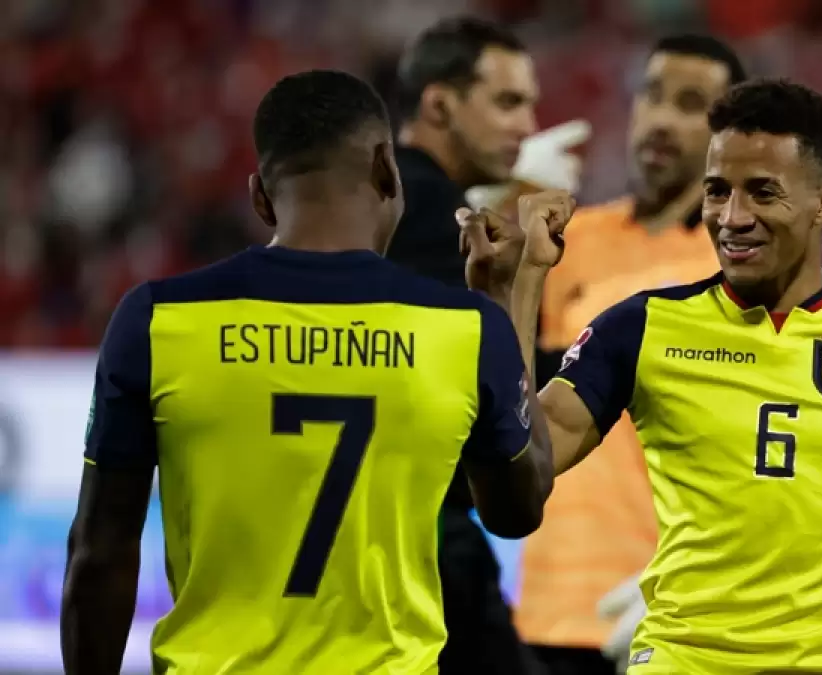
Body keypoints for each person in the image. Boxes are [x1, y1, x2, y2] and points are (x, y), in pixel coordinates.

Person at [462, 79, 822, 675]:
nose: (733, 218)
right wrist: (514, 293)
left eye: (763, 193)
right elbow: (514, 497)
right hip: (683, 660)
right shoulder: (639, 329)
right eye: (718, 191)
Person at [59, 69, 554, 675]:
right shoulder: (466, 327)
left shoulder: (157, 319)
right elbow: (518, 510)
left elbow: (100, 552)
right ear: (387, 169)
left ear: (260, 198)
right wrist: (507, 299)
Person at [516, 34, 745, 675]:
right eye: (653, 96)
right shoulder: (569, 242)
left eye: (691, 104)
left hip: (668, 618)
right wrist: (493, 197)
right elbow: (504, 385)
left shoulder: (736, 267)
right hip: (545, 610)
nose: (662, 119)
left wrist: (694, 587)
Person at [385, 16, 586, 675]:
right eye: (507, 102)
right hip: (423, 541)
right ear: (440, 103)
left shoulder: (380, 204)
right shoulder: (433, 215)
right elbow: (490, 377)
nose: (527, 125)